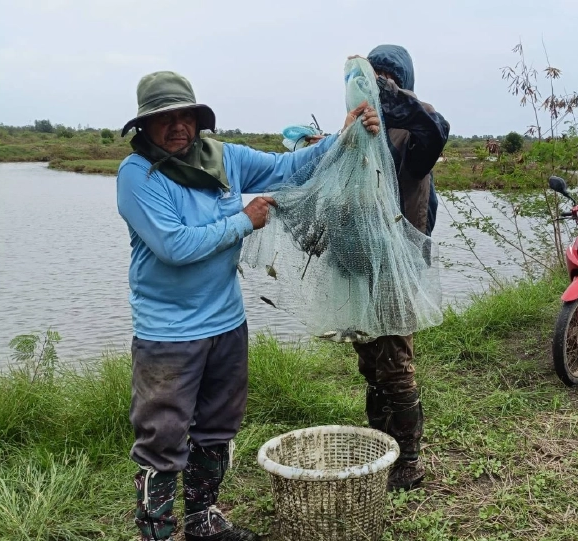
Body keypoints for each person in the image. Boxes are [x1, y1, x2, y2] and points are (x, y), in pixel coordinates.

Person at [116, 70, 380, 541]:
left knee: (218, 425)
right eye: (164, 119)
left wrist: (344, 136)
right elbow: (174, 246)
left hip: (226, 323)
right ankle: (155, 531)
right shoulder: (137, 175)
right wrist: (244, 220)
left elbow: (288, 170)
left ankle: (202, 519)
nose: (178, 127)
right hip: (168, 334)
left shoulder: (224, 158)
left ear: (198, 121)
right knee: (162, 436)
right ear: (144, 126)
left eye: (186, 116)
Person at [352, 45, 450, 492]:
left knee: (395, 362)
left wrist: (392, 99)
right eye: (372, 77)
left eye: (386, 77)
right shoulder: (358, 129)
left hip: (398, 266)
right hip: (360, 262)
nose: (378, 84)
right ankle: (380, 445)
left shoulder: (414, 132)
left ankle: (408, 462)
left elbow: (436, 128)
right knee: (369, 360)